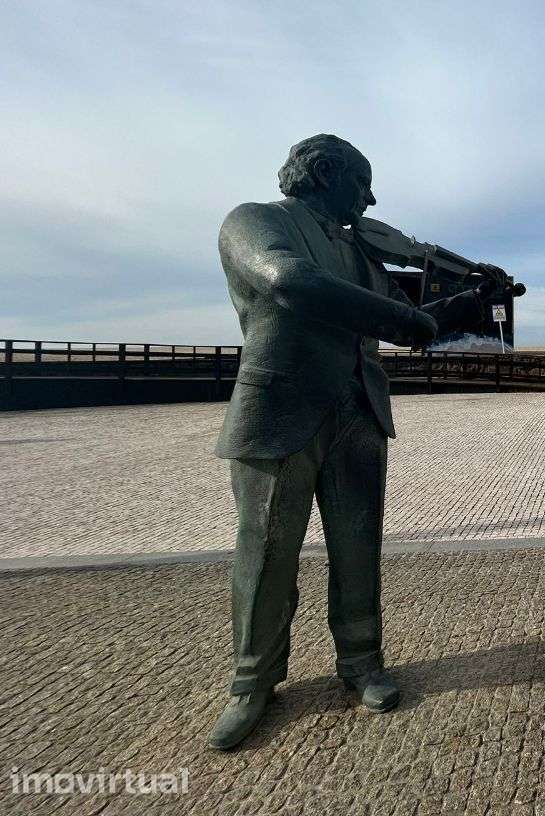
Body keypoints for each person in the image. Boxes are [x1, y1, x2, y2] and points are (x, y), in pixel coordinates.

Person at [207, 134, 506, 750]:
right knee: (265, 554)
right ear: (324, 173)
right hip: (280, 408)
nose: (371, 197)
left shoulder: (359, 250)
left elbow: (409, 320)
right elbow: (290, 283)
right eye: (362, 182)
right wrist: (409, 318)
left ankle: (363, 663)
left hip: (359, 410)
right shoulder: (255, 222)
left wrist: (470, 301)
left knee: (358, 546)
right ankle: (251, 682)